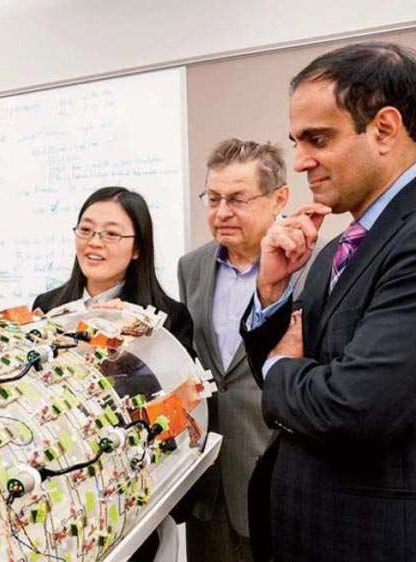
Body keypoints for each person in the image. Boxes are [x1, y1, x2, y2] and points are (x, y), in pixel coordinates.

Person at [241, 42, 416, 562]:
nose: (300, 161)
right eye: (297, 141)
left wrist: (283, 367)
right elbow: (288, 385)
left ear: (385, 129)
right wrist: (272, 293)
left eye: (317, 139)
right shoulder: (334, 251)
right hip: (307, 531)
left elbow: (354, 405)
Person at [177, 139, 289, 561]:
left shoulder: (311, 266)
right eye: (213, 198)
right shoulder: (193, 266)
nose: (222, 212)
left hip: (276, 478)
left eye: (238, 199)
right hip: (207, 480)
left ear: (279, 198)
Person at [33, 186, 195, 363]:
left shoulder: (170, 318)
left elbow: (178, 384)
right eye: (86, 230)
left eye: (111, 234)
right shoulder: (48, 306)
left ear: (137, 248)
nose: (94, 242)